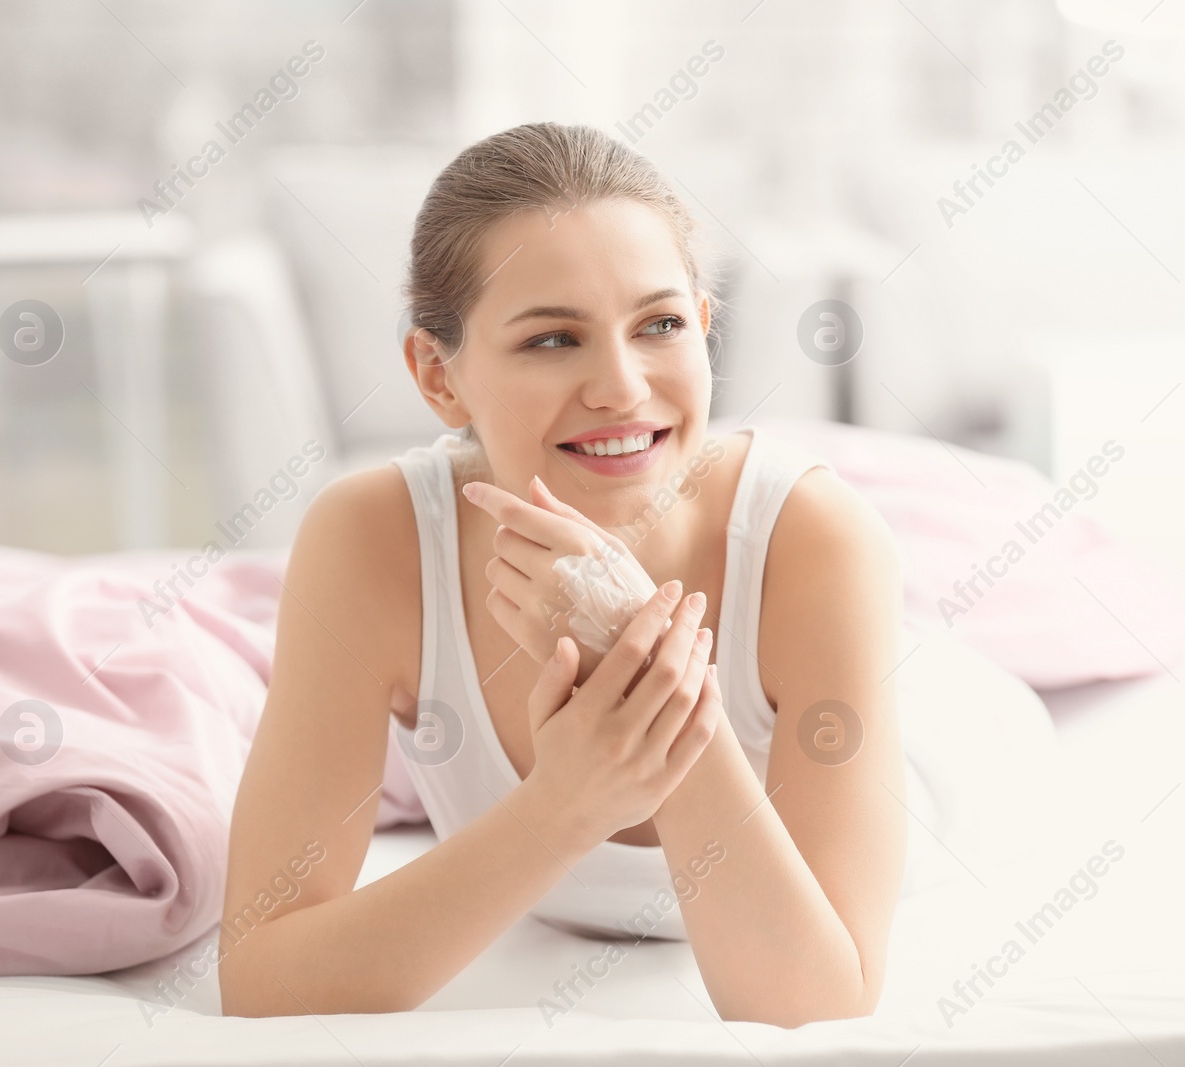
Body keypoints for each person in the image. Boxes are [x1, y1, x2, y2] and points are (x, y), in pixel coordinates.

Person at [219, 121, 906, 1027]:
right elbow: (263, 981)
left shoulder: (816, 542)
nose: (621, 387)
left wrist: (642, 665)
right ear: (438, 376)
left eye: (660, 324)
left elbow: (815, 1004)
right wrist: (567, 802)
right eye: (552, 340)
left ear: (704, 327)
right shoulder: (370, 538)